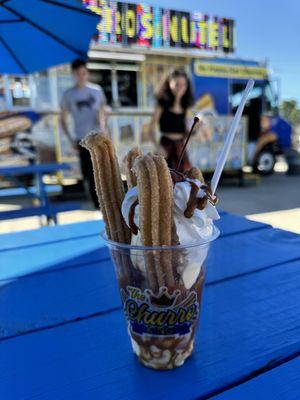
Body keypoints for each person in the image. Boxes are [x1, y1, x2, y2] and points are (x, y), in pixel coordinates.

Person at [60, 58, 107, 207]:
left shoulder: (96, 90)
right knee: (89, 173)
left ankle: (107, 201)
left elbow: (103, 113)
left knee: (103, 170)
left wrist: (105, 131)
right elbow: (62, 119)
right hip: (81, 139)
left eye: (84, 73)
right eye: (78, 73)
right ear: (73, 74)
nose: (82, 76)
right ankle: (97, 204)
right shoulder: (69, 94)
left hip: (98, 137)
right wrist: (69, 139)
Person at [148, 69, 194, 172]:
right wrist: (157, 146)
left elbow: (187, 132)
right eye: (177, 84)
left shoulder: (186, 106)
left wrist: (196, 128)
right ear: (169, 83)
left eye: (183, 84)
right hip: (165, 147)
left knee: (181, 182)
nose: (180, 87)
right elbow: (150, 130)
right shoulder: (161, 103)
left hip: (180, 149)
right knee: (164, 180)